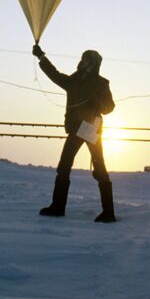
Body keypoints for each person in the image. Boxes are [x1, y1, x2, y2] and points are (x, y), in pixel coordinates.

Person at [33, 43, 117, 222]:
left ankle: (108, 212)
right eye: (83, 58)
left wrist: (99, 105)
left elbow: (110, 106)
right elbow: (55, 75)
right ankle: (58, 207)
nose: (83, 61)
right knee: (64, 167)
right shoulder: (74, 80)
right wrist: (41, 57)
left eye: (87, 59)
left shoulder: (101, 83)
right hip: (76, 128)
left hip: (90, 128)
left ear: (94, 63)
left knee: (98, 168)